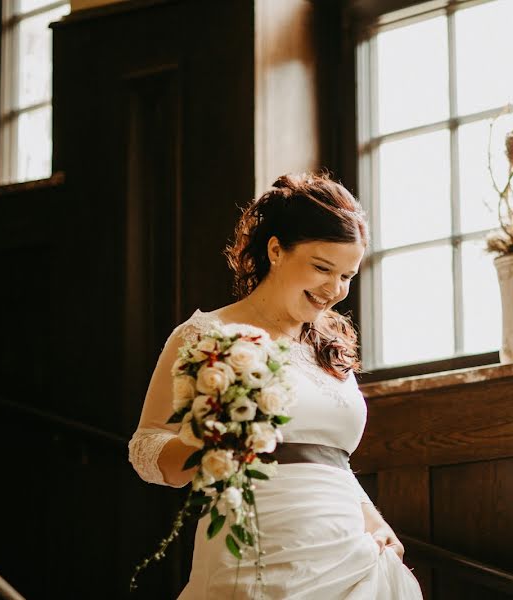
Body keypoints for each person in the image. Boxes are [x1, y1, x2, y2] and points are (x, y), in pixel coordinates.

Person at [128, 172, 424, 599]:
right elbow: (145, 448)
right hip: (259, 548)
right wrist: (209, 442)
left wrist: (371, 517)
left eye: (347, 275)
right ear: (275, 251)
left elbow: (325, 455)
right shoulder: (204, 335)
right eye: (323, 268)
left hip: (349, 554)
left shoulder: (332, 347)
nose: (335, 289)